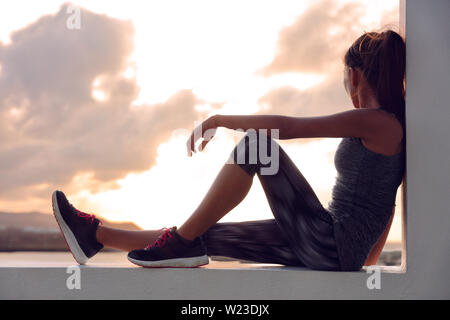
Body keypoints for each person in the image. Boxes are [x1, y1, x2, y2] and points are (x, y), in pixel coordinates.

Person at [52, 29, 406, 271]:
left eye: (345, 76)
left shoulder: (378, 122)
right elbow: (385, 206)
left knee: (256, 146)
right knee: (202, 233)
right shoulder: (388, 127)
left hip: (328, 242)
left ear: (356, 75)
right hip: (327, 245)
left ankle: (178, 243)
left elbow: (292, 127)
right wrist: (363, 259)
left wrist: (220, 120)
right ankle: (95, 237)